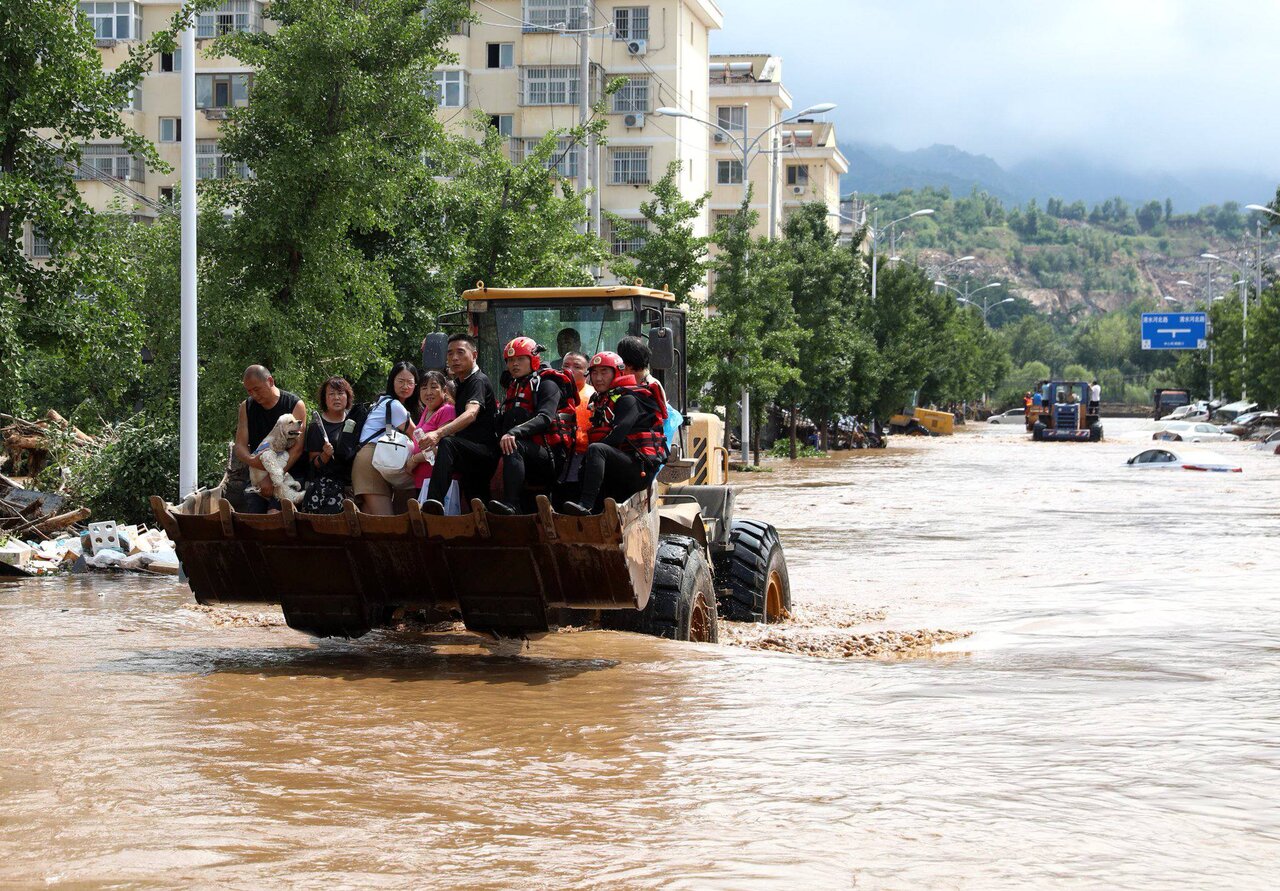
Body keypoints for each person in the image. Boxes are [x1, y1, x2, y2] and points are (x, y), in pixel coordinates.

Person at [560, 351, 669, 516]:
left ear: (617, 372)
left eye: (604, 372)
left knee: (596, 450)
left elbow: (617, 436)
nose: (598, 378)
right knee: (584, 463)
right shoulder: (600, 399)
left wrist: (592, 454)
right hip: (618, 463)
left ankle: (586, 505)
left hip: (638, 467)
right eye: (595, 372)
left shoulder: (628, 398)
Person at [487, 337, 578, 515]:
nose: (514, 364)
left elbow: (545, 417)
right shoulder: (515, 386)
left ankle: (512, 504)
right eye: (511, 360)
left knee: (513, 445)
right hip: (526, 453)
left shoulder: (548, 384)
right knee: (487, 449)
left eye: (520, 359)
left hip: (550, 456)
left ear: (533, 359)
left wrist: (513, 432)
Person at [419, 334, 499, 513]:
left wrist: (438, 433)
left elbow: (471, 414)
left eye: (460, 352)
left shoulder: (477, 381)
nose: (454, 358)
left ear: (474, 355)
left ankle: (432, 503)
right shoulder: (460, 383)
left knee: (447, 443)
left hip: (483, 452)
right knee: (478, 506)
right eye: (449, 354)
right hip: (469, 450)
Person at [233, 365, 307, 513]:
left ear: (270, 381)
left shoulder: (294, 405)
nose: (254, 394)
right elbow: (240, 446)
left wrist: (273, 478)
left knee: (275, 514)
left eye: (257, 389)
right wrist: (252, 460)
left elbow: (297, 449)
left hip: (289, 472)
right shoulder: (245, 407)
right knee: (252, 518)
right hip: (258, 474)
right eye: (249, 391)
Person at [352, 361, 419, 516]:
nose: (405, 386)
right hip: (372, 459)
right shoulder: (394, 405)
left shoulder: (382, 401)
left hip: (373, 458)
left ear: (415, 384)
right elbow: (417, 436)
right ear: (392, 382)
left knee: (371, 522)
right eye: (400, 381)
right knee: (386, 521)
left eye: (410, 382)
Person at [301, 376, 355, 514]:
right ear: (325, 399)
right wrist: (325, 455)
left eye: (341, 393)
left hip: (355, 483)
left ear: (347, 397)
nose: (336, 397)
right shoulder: (316, 427)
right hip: (328, 488)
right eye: (331, 394)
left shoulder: (354, 420)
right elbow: (313, 465)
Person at [406, 370, 457, 502]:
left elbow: (444, 450)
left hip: (438, 483)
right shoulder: (427, 411)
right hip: (422, 480)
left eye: (434, 387)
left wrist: (414, 459)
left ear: (444, 390)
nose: (428, 392)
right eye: (424, 388)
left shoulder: (447, 410)